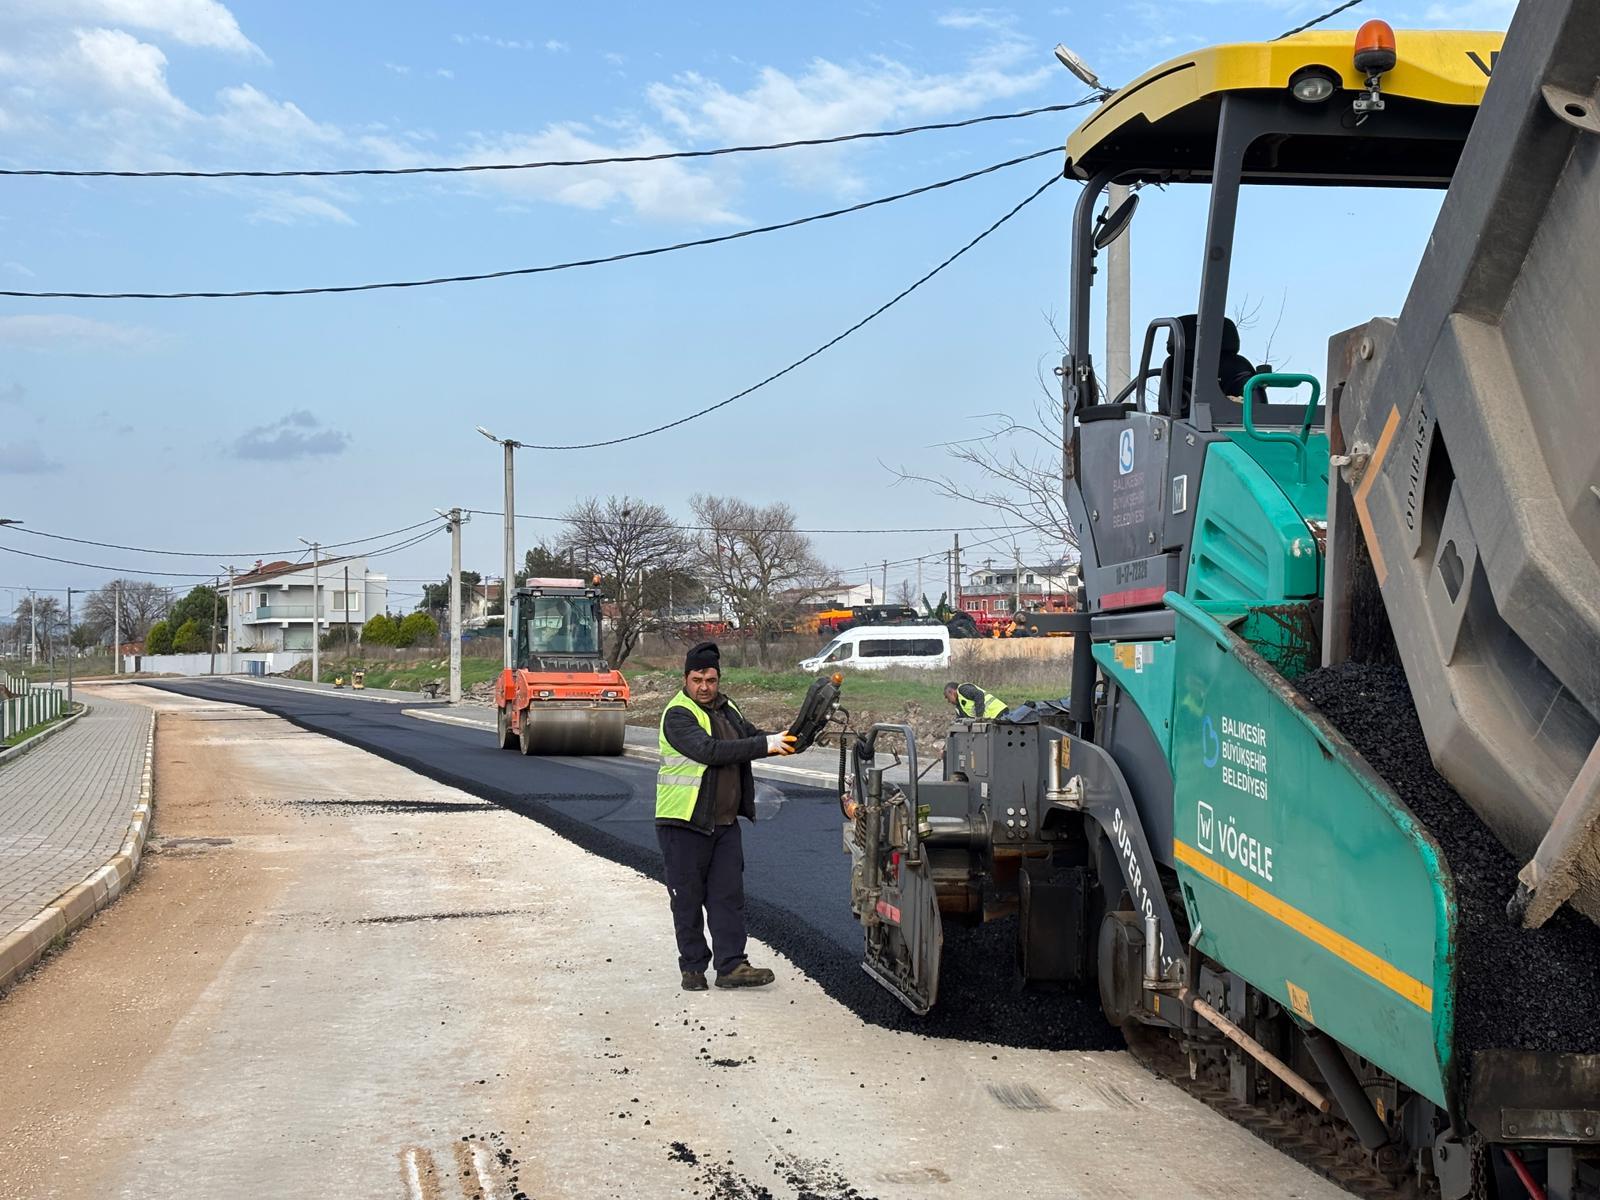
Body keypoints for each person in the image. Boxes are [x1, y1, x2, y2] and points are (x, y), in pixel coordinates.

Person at [657, 640, 797, 992]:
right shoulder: (678, 714)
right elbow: (710, 751)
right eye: (697, 680)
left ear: (719, 679)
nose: (704, 687)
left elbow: (752, 738)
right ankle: (692, 968)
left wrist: (791, 738)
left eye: (711, 680)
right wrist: (766, 744)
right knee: (687, 897)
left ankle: (732, 966)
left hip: (724, 824)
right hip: (684, 823)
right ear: (685, 679)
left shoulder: (727, 708)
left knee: (727, 896)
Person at [945, 680, 1009, 719]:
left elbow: (979, 694)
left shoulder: (963, 689)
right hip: (992, 718)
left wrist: (979, 718)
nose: (948, 701)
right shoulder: (959, 707)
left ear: (951, 692)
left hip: (998, 712)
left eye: (947, 697)